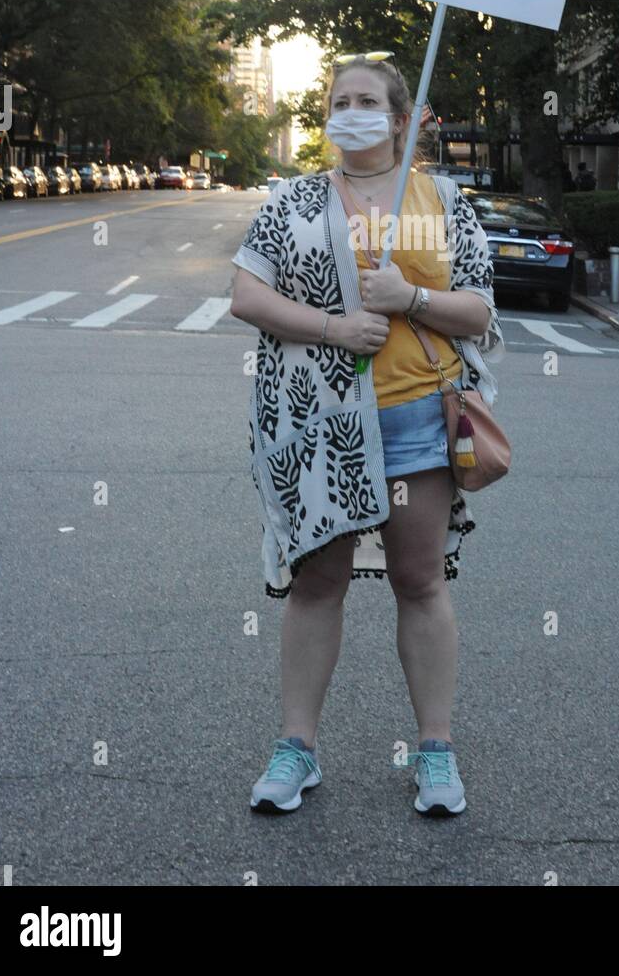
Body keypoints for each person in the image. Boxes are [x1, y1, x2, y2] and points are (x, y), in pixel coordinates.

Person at [229, 50, 504, 817]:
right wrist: (332, 326)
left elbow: (479, 310)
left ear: (400, 117)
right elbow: (245, 294)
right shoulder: (293, 200)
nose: (350, 111)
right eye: (338, 99)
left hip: (419, 419)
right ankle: (295, 750)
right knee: (317, 583)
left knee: (420, 582)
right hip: (318, 427)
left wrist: (410, 296)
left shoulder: (441, 200)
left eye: (366, 100)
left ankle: (436, 754)